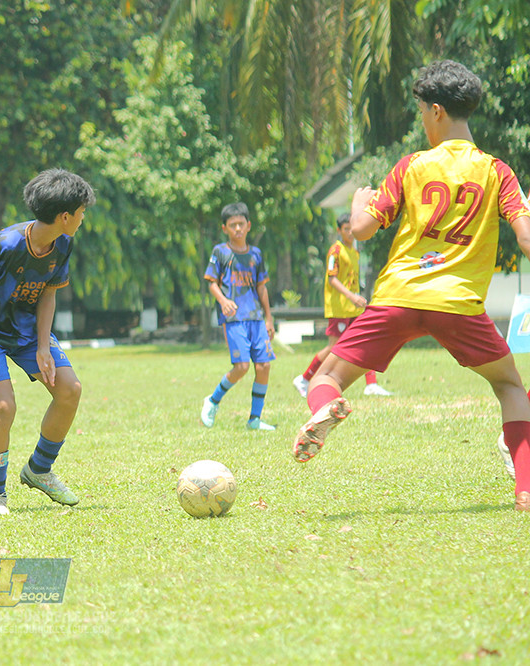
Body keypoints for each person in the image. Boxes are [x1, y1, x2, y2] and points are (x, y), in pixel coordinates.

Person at [292, 60, 530, 512]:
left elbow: (362, 229)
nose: (422, 120)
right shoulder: (498, 172)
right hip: (458, 303)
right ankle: (526, 491)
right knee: (510, 387)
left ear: (436, 111)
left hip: (398, 297)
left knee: (327, 376)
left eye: (422, 111)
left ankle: (324, 408)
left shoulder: (412, 166)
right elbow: (525, 238)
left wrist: (358, 206)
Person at [0, 168, 95, 516]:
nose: (83, 218)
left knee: (69, 390)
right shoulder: (7, 243)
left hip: (28, 333)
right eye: (81, 212)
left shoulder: (64, 243)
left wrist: (44, 345)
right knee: (4, 407)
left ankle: (39, 469)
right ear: (64, 216)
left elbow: (48, 293)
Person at [293, 214, 392, 398]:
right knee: (333, 347)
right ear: (339, 230)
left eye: (351, 229)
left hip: (353, 308)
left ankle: (371, 384)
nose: (350, 233)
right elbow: (332, 279)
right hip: (339, 308)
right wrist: (352, 296)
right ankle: (304, 379)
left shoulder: (354, 252)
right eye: (346, 229)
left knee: (365, 341)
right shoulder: (335, 251)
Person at [200, 202, 277, 431]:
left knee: (263, 366)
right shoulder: (220, 252)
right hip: (234, 319)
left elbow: (261, 287)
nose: (237, 229)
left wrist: (269, 318)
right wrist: (224, 301)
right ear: (224, 228)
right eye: (232, 225)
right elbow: (212, 283)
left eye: (241, 224)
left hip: (256, 317)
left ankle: (254, 420)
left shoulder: (256, 254)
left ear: (248, 225)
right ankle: (212, 400)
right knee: (242, 366)